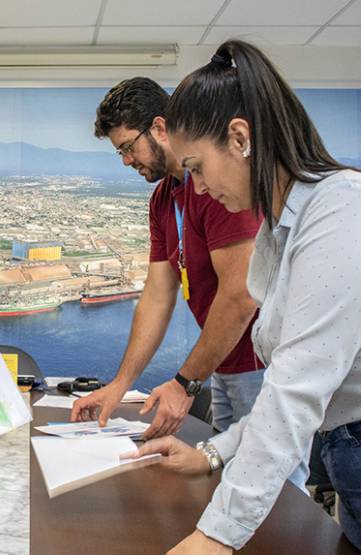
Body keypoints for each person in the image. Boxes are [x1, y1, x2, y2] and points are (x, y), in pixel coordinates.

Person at [124, 40, 361, 553]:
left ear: (240, 137)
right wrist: (212, 452)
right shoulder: (281, 231)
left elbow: (294, 395)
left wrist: (215, 537)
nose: (201, 189)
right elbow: (286, 388)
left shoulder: (339, 212)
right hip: (345, 446)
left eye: (199, 167)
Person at [73, 77, 265, 442]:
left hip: (257, 363)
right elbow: (158, 295)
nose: (128, 161)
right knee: (230, 477)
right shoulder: (163, 199)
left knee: (272, 486)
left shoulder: (219, 186)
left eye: (129, 147)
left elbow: (241, 295)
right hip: (221, 362)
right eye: (120, 153)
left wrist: (184, 383)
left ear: (159, 127)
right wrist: (120, 385)